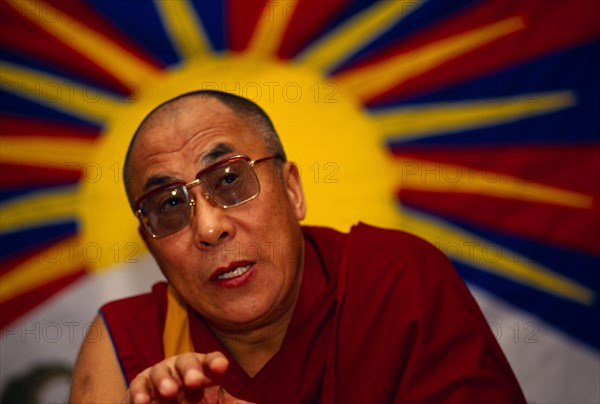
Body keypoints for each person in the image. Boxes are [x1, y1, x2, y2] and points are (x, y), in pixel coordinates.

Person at [70, 90, 526, 403]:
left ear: (292, 191)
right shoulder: (122, 342)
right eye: (168, 205)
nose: (208, 227)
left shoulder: (398, 279)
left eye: (229, 179)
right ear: (151, 246)